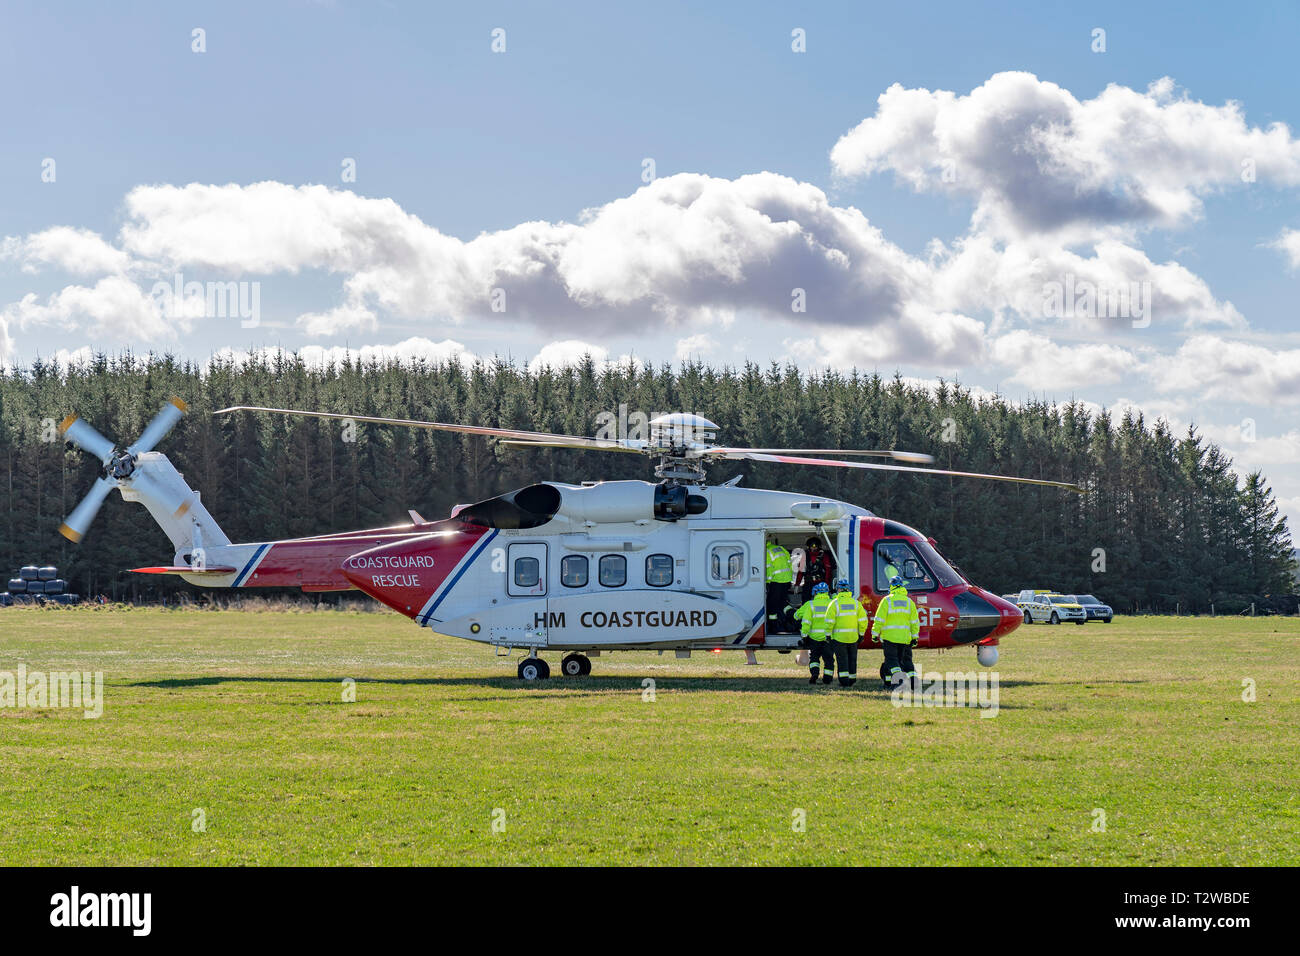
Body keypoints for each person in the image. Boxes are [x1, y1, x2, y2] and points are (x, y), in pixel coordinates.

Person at [876, 574, 921, 689]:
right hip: (905, 638)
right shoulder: (909, 602)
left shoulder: (887, 600)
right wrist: (915, 637)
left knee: (892, 661)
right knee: (904, 661)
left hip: (890, 637)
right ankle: (911, 683)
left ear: (891, 586)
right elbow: (915, 622)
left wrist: (874, 634)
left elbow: (879, 619)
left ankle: (899, 680)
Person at [824, 578, 868, 687]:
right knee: (852, 659)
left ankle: (844, 681)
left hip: (839, 638)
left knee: (842, 660)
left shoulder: (834, 604)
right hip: (853, 637)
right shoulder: (856, 603)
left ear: (838, 590)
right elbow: (863, 621)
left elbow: (829, 622)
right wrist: (861, 634)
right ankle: (852, 679)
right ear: (848, 590)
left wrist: (828, 635)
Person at [793, 581, 834, 685]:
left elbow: (797, 616)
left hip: (814, 637)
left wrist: (804, 635)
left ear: (815, 593)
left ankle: (814, 674)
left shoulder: (810, 605)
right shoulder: (833, 603)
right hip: (829, 637)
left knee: (814, 658)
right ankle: (827, 678)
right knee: (829, 659)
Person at [765, 540, 793, 633]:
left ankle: (774, 627)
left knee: (772, 605)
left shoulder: (767, 551)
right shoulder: (780, 548)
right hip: (786, 580)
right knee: (782, 603)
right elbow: (789, 562)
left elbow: (769, 567)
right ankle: (788, 621)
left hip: (776, 581)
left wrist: (767, 581)